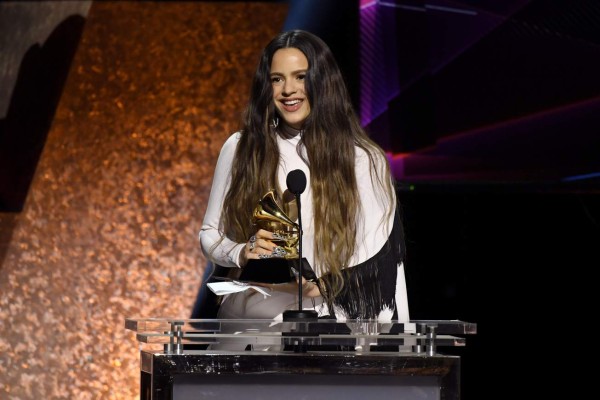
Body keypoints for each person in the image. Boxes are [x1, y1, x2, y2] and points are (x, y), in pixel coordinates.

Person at [199, 29, 409, 323]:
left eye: (301, 76)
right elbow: (210, 233)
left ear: (322, 82)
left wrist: (397, 344)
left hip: (335, 322)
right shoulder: (241, 148)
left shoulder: (363, 158)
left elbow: (381, 259)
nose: (288, 90)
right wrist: (241, 252)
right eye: (277, 79)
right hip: (254, 321)